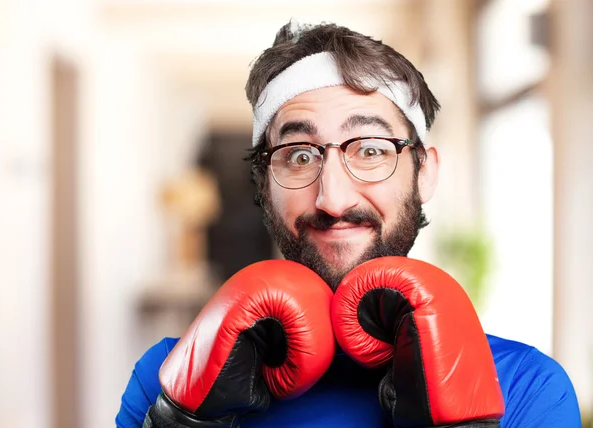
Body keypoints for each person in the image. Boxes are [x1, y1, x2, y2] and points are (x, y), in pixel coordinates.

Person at [116, 21, 581, 427]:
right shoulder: (167, 377)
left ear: (426, 174)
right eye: (299, 156)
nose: (333, 199)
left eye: (372, 150)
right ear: (263, 186)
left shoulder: (526, 387)